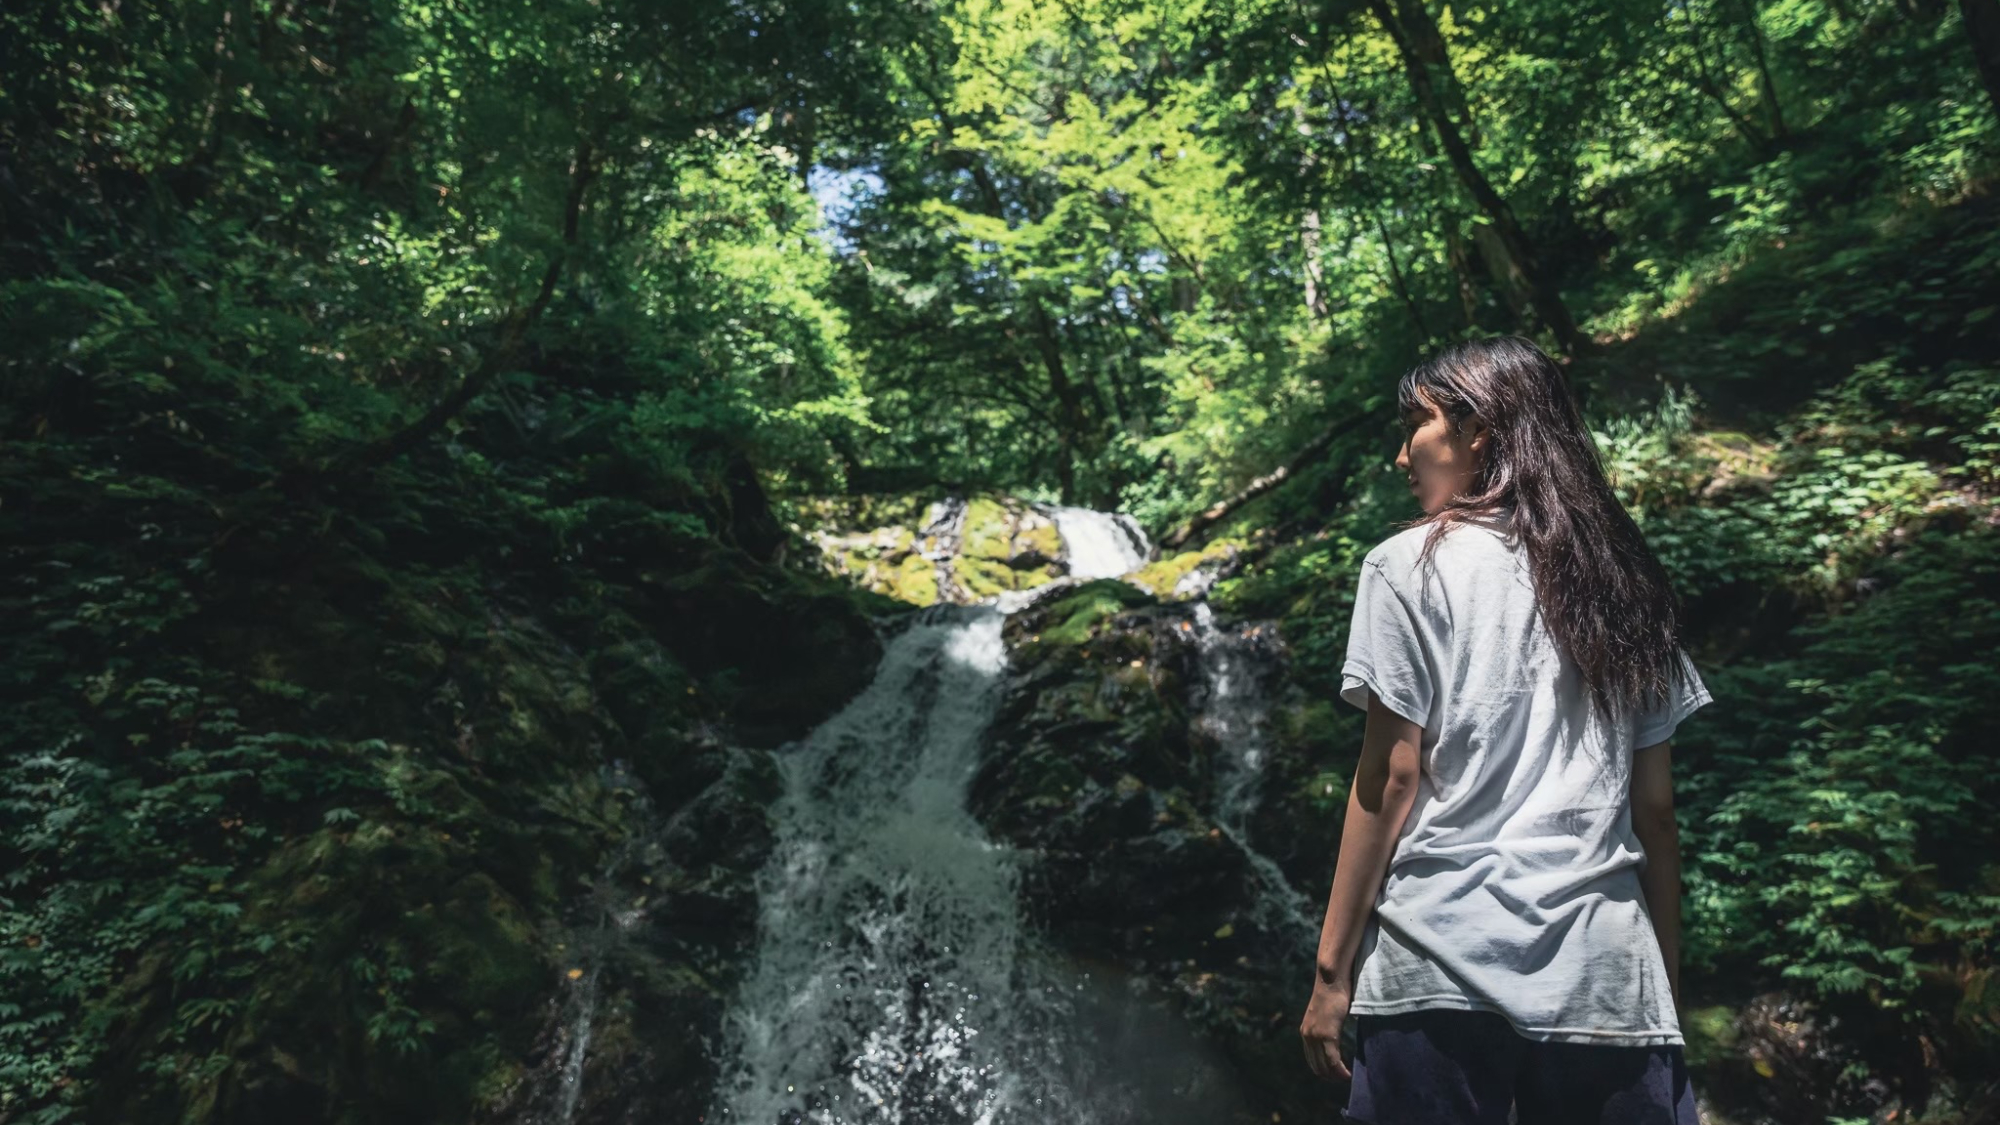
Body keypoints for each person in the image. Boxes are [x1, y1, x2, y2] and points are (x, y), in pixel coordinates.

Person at [1298, 336, 1710, 1124]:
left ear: (1476, 430)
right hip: (1606, 976)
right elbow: (1655, 809)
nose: (1399, 455)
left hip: (1441, 963)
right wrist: (1664, 989)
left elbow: (1393, 775)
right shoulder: (1625, 581)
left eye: (1413, 425)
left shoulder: (1405, 566)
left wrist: (1330, 974)